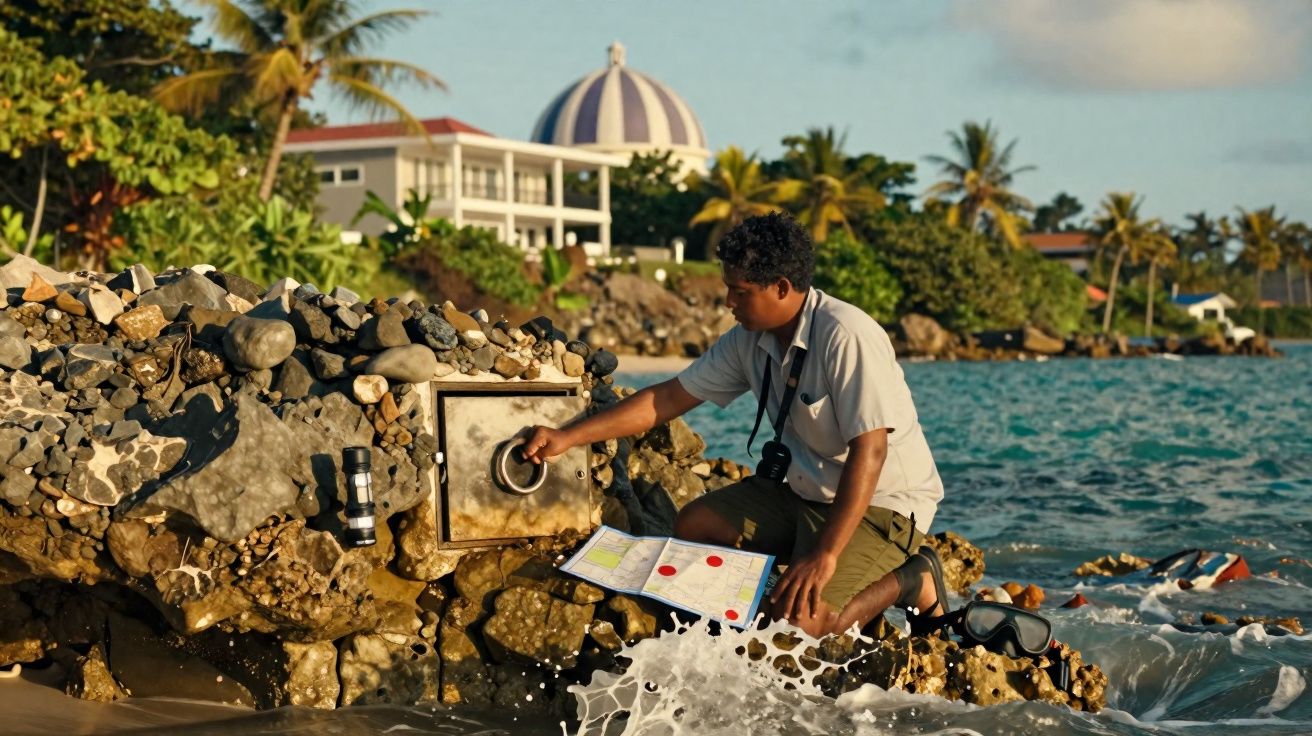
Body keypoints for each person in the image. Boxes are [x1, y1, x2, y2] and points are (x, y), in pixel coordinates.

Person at [523, 213, 947, 638]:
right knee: (695, 526)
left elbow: (870, 451)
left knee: (798, 629)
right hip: (805, 491)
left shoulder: (846, 335)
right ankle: (786, 596)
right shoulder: (748, 338)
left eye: (740, 291)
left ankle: (913, 578)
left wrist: (826, 555)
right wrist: (567, 437)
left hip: (882, 503)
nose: (728, 301)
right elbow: (668, 398)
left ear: (782, 287)